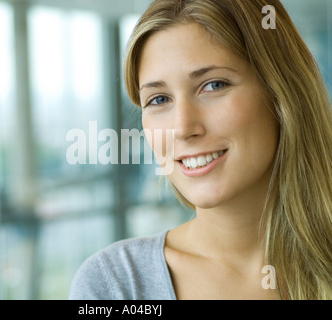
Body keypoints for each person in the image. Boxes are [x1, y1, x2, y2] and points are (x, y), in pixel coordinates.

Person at [69, 0, 332, 300]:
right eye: (159, 100)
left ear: (281, 94)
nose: (182, 128)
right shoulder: (116, 286)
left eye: (214, 85)